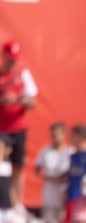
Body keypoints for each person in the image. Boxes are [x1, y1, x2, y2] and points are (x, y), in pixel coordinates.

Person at [0, 42, 37, 208]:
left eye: (15, 59)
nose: (13, 62)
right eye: (10, 59)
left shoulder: (23, 74)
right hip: (1, 129)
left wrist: (20, 100)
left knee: (18, 166)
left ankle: (17, 203)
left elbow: (32, 102)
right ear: (4, 56)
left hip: (18, 127)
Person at [33, 122, 69, 223]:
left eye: (57, 134)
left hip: (65, 192)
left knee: (63, 221)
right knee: (47, 221)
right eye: (52, 135)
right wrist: (49, 177)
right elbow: (37, 169)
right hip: (49, 193)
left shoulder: (71, 152)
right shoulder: (45, 151)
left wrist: (63, 178)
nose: (55, 137)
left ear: (64, 135)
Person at [64, 124, 86, 206]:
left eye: (73, 136)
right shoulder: (71, 156)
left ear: (81, 137)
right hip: (71, 199)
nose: (70, 139)